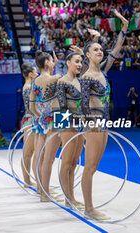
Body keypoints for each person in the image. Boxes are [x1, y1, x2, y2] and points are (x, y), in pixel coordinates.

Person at [79, 9, 128, 220]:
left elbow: (117, 48)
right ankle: (89, 209)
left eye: (101, 49)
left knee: (95, 166)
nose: (100, 51)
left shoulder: (103, 71)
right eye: (96, 49)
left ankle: (89, 205)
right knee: (89, 166)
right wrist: (91, 122)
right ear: (87, 55)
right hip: (93, 123)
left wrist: (124, 27)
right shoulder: (87, 75)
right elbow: (83, 104)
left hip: (104, 122)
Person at [29, 50, 62, 202]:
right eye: (51, 61)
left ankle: (41, 190)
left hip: (41, 120)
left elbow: (31, 107)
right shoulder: (56, 77)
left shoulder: (35, 82)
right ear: (48, 63)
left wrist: (39, 116)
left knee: (40, 158)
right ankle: (45, 194)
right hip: (54, 119)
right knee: (49, 159)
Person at [56, 51, 85, 209]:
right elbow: (62, 106)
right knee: (66, 163)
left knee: (74, 163)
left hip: (79, 124)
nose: (79, 64)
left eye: (81, 61)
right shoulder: (62, 81)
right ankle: (67, 198)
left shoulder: (79, 81)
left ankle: (72, 197)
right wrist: (76, 117)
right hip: (66, 122)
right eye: (76, 61)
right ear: (68, 63)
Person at [21, 64, 38, 187]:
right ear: (31, 74)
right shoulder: (28, 87)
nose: (37, 75)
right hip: (30, 120)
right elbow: (30, 108)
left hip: (31, 119)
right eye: (36, 73)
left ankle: (28, 180)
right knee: (28, 153)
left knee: (30, 152)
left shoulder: (30, 86)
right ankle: (27, 180)